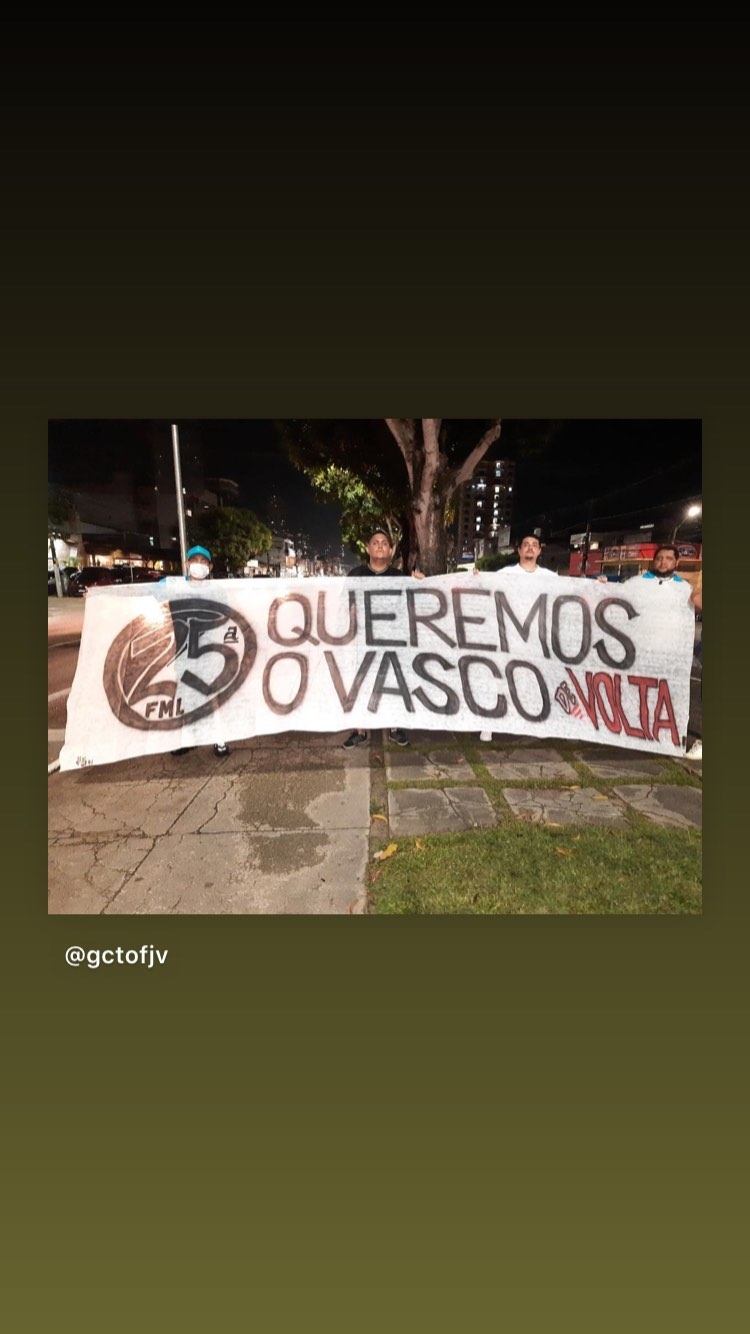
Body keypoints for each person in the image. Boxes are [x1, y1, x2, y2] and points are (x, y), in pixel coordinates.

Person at [342, 527, 425, 750]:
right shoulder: (356, 575)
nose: (380, 546)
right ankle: (359, 730)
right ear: (368, 548)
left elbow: (415, 603)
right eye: (375, 542)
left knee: (393, 682)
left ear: (391, 550)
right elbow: (345, 605)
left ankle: (395, 728)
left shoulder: (400, 578)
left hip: (392, 641)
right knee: (361, 683)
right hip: (363, 640)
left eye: (384, 543)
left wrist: (421, 584)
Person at [474, 533, 557, 740]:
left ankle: (532, 720)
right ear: (519, 550)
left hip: (536, 637)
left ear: (539, 550)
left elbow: (574, 589)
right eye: (526, 544)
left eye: (534, 545)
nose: (530, 548)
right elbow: (484, 586)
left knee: (533, 678)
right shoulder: (506, 573)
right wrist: (475, 578)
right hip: (507, 635)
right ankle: (489, 724)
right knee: (501, 677)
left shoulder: (550, 577)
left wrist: (599, 585)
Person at [166, 545, 230, 758]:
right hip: (183, 653)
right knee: (186, 697)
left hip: (208, 653)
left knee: (212, 696)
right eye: (195, 561)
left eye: (203, 561)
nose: (199, 565)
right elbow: (142, 591)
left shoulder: (216, 591)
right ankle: (188, 739)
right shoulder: (174, 588)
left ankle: (220, 740)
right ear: (187, 564)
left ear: (210, 567)